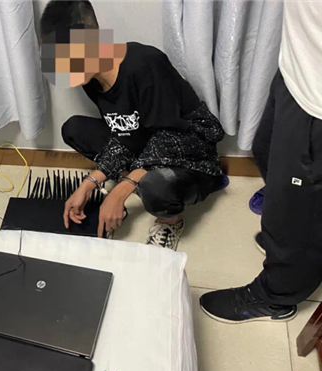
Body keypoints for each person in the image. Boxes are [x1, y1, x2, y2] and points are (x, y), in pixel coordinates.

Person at [40, 0, 226, 249]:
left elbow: (172, 138)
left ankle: (169, 222)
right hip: (146, 143)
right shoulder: (90, 80)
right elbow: (126, 132)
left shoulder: (145, 64)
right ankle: (137, 180)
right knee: (74, 129)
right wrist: (89, 183)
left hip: (191, 152)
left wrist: (122, 190)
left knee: (155, 187)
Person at [199, 1, 322, 323]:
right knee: (264, 149)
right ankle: (301, 241)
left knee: (290, 208)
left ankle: (276, 296)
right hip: (298, 71)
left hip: (317, 105)